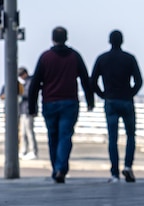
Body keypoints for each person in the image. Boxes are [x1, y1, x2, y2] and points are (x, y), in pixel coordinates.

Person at [28, 26, 94, 183]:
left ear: (52, 39)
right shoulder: (75, 56)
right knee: (65, 136)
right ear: (66, 38)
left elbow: (35, 84)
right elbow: (85, 79)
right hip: (69, 102)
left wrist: (32, 107)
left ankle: (56, 168)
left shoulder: (45, 57)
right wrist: (90, 101)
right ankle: (60, 168)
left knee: (53, 137)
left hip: (49, 102)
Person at [91, 30, 143, 183]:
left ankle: (114, 173)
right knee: (130, 135)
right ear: (122, 41)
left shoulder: (102, 59)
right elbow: (139, 81)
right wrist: (130, 93)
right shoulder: (129, 59)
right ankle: (128, 166)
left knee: (112, 138)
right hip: (126, 100)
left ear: (109, 41)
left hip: (111, 101)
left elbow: (92, 81)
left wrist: (103, 95)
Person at [18, 67, 38, 160]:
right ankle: (23, 150)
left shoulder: (29, 81)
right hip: (23, 110)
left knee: (29, 131)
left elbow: (29, 93)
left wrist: (19, 93)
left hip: (28, 110)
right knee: (23, 132)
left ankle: (33, 151)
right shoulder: (25, 82)